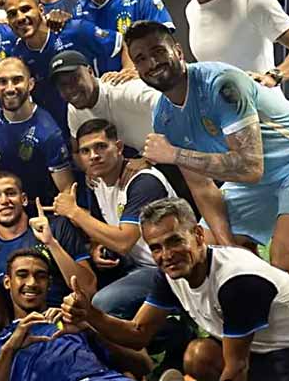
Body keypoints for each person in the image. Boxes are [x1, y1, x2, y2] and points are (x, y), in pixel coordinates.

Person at [61, 198, 289, 381]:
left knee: (231, 365)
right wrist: (89, 314)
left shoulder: (238, 281)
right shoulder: (171, 275)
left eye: (174, 241)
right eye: (156, 248)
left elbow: (236, 369)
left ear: (198, 235)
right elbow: (138, 333)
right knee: (199, 357)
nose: (167, 255)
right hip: (263, 349)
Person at [127, 21, 289, 275]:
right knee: (207, 252)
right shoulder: (163, 118)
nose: (152, 63)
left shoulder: (222, 84)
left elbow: (250, 166)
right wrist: (228, 246)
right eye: (141, 59)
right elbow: (202, 187)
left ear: (178, 51)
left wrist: (175, 155)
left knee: (286, 258)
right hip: (255, 183)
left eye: (158, 51)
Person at [49, 50, 230, 245]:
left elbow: (181, 109)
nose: (71, 89)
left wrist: (149, 158)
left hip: (196, 149)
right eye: (63, 85)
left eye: (75, 79)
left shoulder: (126, 90)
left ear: (90, 72)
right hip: (164, 162)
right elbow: (77, 146)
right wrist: (89, 168)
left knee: (219, 230)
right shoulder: (75, 110)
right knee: (190, 234)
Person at [0, 249, 157, 381]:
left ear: (49, 283)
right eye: (22, 275)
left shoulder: (74, 319)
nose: (32, 282)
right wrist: (10, 349)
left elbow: (143, 365)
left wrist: (89, 330)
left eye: (40, 276)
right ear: (7, 282)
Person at [53, 120, 172, 314]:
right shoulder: (96, 181)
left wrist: (74, 211)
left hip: (167, 266)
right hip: (134, 264)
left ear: (118, 147)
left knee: (101, 304)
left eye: (101, 147)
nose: (94, 156)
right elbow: (102, 228)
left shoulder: (144, 181)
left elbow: (124, 242)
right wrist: (96, 247)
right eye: (85, 151)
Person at [2, 0, 128, 142]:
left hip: (96, 123)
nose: (20, 17)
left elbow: (121, 43)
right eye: (12, 14)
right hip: (58, 134)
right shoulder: (18, 55)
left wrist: (129, 69)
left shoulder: (74, 30)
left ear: (41, 10)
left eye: (26, 9)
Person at [0, 171, 95, 313]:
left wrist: (51, 242)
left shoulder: (56, 227)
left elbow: (88, 288)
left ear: (24, 199)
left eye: (11, 193)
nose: (4, 201)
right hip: (19, 324)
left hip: (65, 318)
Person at [0, 58, 74, 203]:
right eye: (3, 82)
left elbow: (67, 190)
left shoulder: (49, 133)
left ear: (31, 84)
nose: (10, 88)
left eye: (17, 80)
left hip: (33, 207)